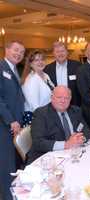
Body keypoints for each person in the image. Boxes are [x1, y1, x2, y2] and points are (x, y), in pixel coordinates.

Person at [27, 86, 90, 163]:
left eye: (66, 98)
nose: (63, 101)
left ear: (70, 99)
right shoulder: (41, 113)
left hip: (73, 154)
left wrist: (81, 139)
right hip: (47, 158)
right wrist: (66, 144)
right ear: (52, 98)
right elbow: (38, 142)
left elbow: (86, 129)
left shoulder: (76, 111)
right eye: (59, 97)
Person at [0, 41, 25, 200]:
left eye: (22, 52)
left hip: (14, 125)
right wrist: (11, 121)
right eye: (16, 50)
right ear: (6, 49)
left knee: (13, 165)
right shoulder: (1, 67)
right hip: (4, 125)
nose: (19, 54)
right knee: (6, 166)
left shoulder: (14, 69)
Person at [21, 50, 55, 127]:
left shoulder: (45, 75)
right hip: (37, 117)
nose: (40, 62)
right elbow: (34, 105)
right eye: (36, 60)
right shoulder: (31, 79)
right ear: (30, 63)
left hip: (47, 114)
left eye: (42, 59)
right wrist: (46, 119)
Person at [45, 41, 81, 106]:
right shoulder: (47, 69)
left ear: (67, 52)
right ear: (53, 53)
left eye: (62, 51)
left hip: (74, 105)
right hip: (55, 106)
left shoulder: (77, 66)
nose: (60, 54)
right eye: (57, 51)